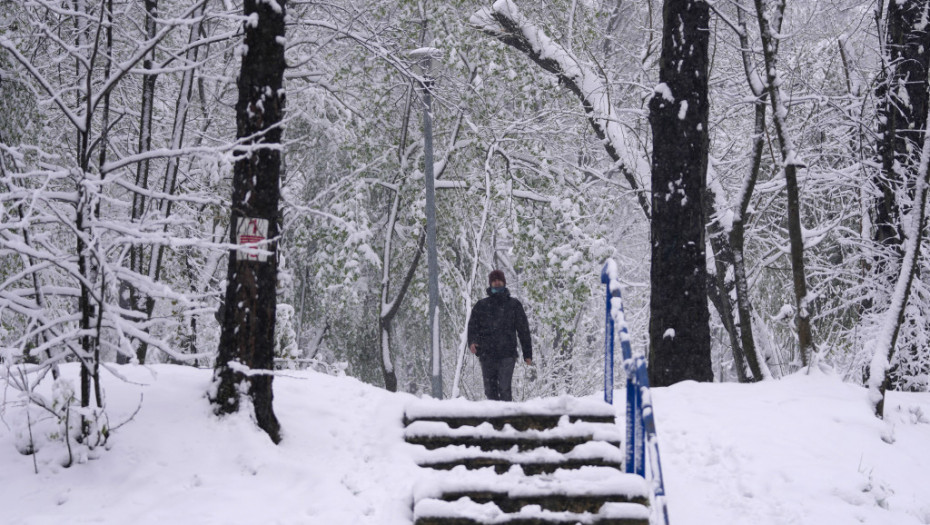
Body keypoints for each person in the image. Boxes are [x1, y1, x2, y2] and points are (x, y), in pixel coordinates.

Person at [467, 269, 533, 401]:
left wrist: (528, 354)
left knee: (504, 389)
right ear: (490, 284)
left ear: (504, 282)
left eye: (499, 280)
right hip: (487, 354)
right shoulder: (481, 306)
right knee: (490, 391)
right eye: (494, 280)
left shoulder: (514, 305)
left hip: (507, 354)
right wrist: (473, 342)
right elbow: (473, 327)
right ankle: (493, 420)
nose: (497, 283)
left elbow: (523, 330)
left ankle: (506, 419)